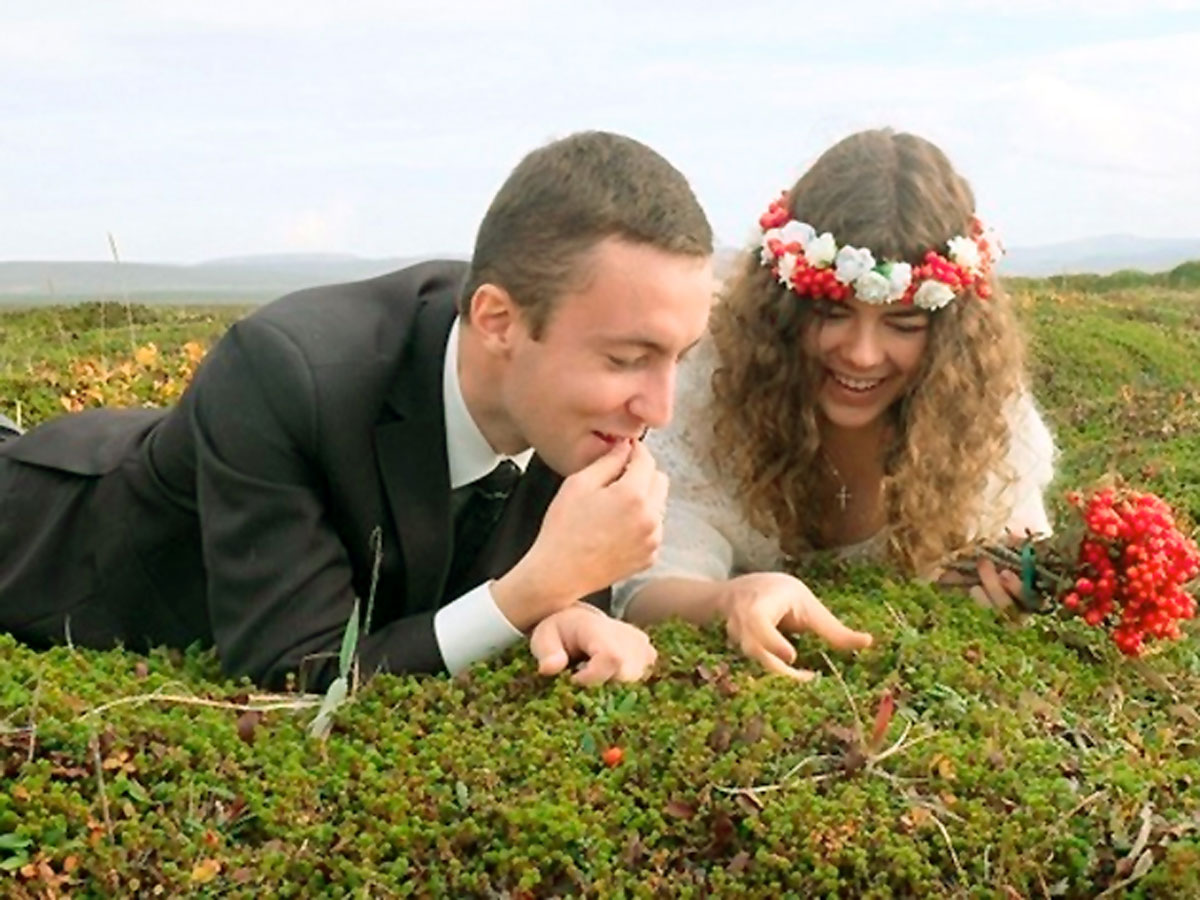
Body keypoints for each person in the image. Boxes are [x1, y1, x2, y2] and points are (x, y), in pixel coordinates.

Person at [0, 130, 716, 690]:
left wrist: (574, 613)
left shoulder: (576, 415)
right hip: (38, 539)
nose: (657, 408)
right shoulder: (284, 371)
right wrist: (533, 592)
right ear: (497, 320)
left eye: (677, 357)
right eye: (626, 359)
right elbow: (297, 668)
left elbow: (517, 592)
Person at [614, 128, 1056, 679]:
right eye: (832, 312)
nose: (862, 355)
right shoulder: (707, 390)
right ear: (783, 308)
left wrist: (1012, 594)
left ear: (949, 334)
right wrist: (726, 601)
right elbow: (646, 587)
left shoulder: (984, 415)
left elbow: (1019, 552)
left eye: (903, 323)